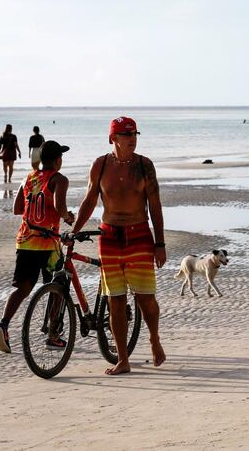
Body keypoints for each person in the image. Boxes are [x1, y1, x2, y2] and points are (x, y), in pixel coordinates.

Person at [71, 116, 167, 375]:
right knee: (115, 300)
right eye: (126, 135)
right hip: (110, 237)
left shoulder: (144, 165)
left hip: (139, 236)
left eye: (135, 133)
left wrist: (160, 243)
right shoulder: (100, 165)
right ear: (113, 138)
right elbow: (90, 199)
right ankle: (122, 359)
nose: (132, 138)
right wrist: (73, 231)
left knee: (146, 298)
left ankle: (154, 339)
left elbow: (155, 205)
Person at [0, 141, 75, 353]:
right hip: (48, 244)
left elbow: (17, 209)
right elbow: (60, 206)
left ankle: (3, 324)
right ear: (58, 160)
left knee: (22, 288)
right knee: (60, 285)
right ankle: (53, 334)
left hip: (25, 241)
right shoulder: (59, 179)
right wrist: (68, 217)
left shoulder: (28, 178)